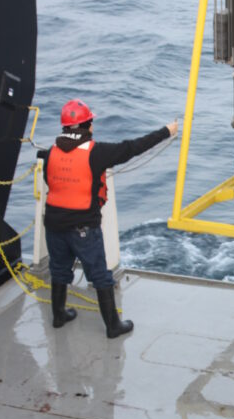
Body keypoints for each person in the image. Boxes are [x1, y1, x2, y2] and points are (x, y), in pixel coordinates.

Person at [43, 99, 178, 338]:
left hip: (53, 224)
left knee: (59, 269)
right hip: (82, 228)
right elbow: (132, 147)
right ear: (88, 126)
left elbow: (49, 181)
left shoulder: (50, 153)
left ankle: (58, 316)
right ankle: (113, 326)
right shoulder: (96, 153)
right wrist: (167, 132)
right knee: (100, 275)